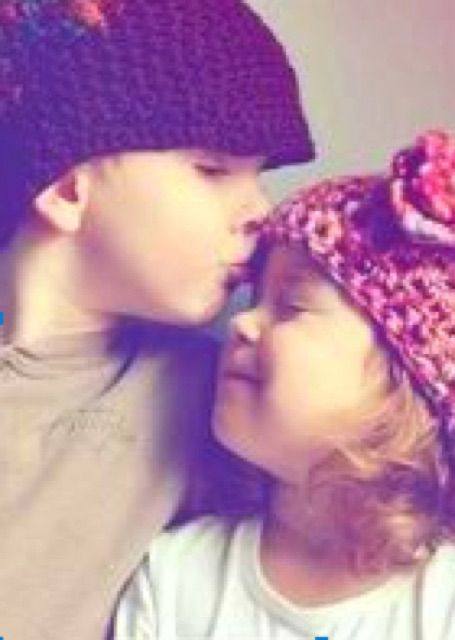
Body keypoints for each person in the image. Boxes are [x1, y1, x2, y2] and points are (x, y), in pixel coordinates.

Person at [115, 129, 455, 639]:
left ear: (411, 387)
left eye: (291, 306)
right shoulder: (177, 574)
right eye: (255, 299)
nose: (241, 322)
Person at [0, 1, 314, 638]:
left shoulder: (217, 395)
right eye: (212, 169)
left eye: (258, 175)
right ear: (67, 189)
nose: (261, 210)